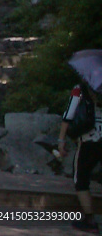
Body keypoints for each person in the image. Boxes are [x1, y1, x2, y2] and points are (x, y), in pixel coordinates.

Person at [59, 83, 102, 232]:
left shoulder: (80, 89)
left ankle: (89, 220)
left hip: (89, 140)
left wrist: (61, 140)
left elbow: (69, 114)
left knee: (81, 180)